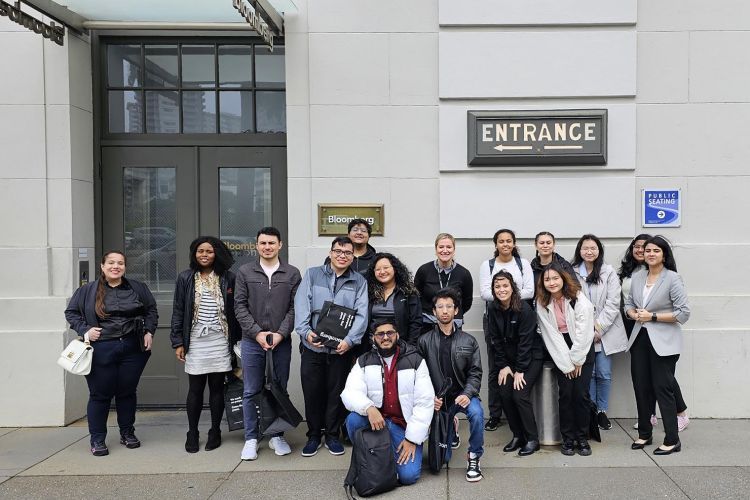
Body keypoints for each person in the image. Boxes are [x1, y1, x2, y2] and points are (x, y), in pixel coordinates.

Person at [64, 251, 157, 456]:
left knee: (127, 392)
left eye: (120, 263)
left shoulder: (137, 288)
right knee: (100, 395)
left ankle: (127, 433)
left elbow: (151, 310)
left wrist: (149, 331)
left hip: (133, 348)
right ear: (102, 266)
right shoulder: (88, 290)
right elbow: (71, 312)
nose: (116, 266)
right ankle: (97, 439)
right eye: (111, 263)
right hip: (101, 349)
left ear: (125, 266)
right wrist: (85, 330)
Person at [294, 236, 369, 457]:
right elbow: (301, 306)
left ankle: (333, 435)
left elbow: (362, 314)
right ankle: (314, 435)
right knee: (313, 393)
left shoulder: (359, 282)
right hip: (313, 347)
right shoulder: (312, 274)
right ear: (330, 252)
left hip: (340, 349)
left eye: (347, 253)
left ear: (353, 256)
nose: (342, 256)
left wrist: (350, 341)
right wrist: (306, 333)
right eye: (338, 251)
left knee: (337, 393)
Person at [234, 227, 301, 461]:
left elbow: (295, 308)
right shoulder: (244, 272)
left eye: (272, 243)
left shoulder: (292, 273)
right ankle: (251, 438)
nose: (267, 247)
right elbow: (239, 307)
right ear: (256, 245)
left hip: (280, 342)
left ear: (280, 245)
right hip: (252, 341)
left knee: (278, 388)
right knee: (251, 390)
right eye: (263, 243)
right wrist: (257, 333)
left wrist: (281, 333)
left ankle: (276, 435)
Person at [341, 318, 435, 486]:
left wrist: (412, 439)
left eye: (390, 333)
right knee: (354, 420)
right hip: (377, 423)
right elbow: (349, 392)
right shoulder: (364, 361)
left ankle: (385, 455)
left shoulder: (415, 360)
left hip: (403, 426)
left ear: (397, 335)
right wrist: (369, 408)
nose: (385, 337)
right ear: (373, 338)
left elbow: (425, 402)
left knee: (409, 477)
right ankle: (370, 457)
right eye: (380, 334)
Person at [170, 237, 238, 453]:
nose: (205, 255)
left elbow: (236, 311)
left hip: (219, 339)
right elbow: (178, 310)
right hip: (196, 339)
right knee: (195, 389)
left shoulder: (228, 278)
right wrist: (177, 341)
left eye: (209, 251)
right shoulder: (186, 278)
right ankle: (192, 432)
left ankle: (215, 430)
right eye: (200, 251)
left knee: (217, 388)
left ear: (217, 253)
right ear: (194, 253)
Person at [625, 236, 690, 455]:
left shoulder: (672, 278)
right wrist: (632, 312)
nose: (651, 254)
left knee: (663, 389)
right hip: (639, 339)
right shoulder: (637, 276)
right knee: (641, 387)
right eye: (648, 250)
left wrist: (653, 316)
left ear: (664, 255)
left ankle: (672, 439)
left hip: (664, 342)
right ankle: (645, 434)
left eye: (656, 251)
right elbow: (629, 304)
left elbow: (683, 313)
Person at [417, 288, 484, 482]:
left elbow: (475, 372)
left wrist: (468, 393)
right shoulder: (424, 341)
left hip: (462, 396)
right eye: (440, 307)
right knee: (438, 462)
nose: (444, 311)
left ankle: (474, 457)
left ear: (456, 311)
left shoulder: (468, 341)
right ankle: (451, 426)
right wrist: (430, 397)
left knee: (477, 414)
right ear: (434, 312)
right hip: (439, 400)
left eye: (449, 307)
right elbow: (420, 376)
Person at [535, 262, 595, 456]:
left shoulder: (578, 299)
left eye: (555, 278)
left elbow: (584, 331)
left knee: (581, 394)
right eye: (547, 279)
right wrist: (567, 364)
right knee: (566, 395)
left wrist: (577, 360)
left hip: (582, 347)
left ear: (563, 278)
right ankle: (568, 439)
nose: (551, 282)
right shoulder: (542, 303)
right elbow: (551, 335)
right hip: (559, 349)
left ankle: (582, 438)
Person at [478, 228, 534, 432]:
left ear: (514, 243)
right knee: (497, 366)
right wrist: (504, 296)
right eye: (501, 241)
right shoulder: (488, 265)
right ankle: (495, 414)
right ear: (496, 245)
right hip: (494, 317)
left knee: (519, 357)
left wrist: (509, 297)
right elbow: (485, 293)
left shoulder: (522, 263)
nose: (505, 244)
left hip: (518, 316)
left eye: (509, 241)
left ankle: (518, 412)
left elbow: (531, 290)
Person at [571, 234, 628, 431]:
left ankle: (602, 411)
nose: (589, 251)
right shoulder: (572, 272)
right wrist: (587, 329)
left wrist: (598, 328)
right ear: (580, 250)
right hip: (581, 331)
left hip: (606, 331)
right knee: (589, 373)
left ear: (599, 251)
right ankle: (591, 411)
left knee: (603, 373)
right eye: (585, 248)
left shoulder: (608, 272)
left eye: (593, 248)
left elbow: (613, 303)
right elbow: (572, 302)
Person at [486, 271, 543, 456]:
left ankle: (532, 439)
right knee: (504, 392)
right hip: (509, 362)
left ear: (512, 287)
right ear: (493, 290)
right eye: (497, 286)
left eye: (505, 286)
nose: (501, 290)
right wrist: (504, 366)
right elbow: (495, 340)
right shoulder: (493, 309)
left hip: (531, 357)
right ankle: (518, 435)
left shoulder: (524, 310)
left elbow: (526, 343)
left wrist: (520, 370)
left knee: (519, 395)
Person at [414, 233, 474, 335]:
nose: (445, 250)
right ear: (436, 249)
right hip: (428, 325)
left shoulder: (464, 273)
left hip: (454, 324)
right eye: (441, 247)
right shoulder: (424, 270)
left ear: (454, 250)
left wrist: (451, 314)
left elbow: (467, 302)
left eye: (449, 247)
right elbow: (415, 297)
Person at [364, 253, 422, 347]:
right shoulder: (368, 293)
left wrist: (410, 347)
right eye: (378, 269)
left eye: (386, 267)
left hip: (401, 346)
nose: (382, 272)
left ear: (395, 268)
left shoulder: (408, 292)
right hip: (373, 347)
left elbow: (416, 322)